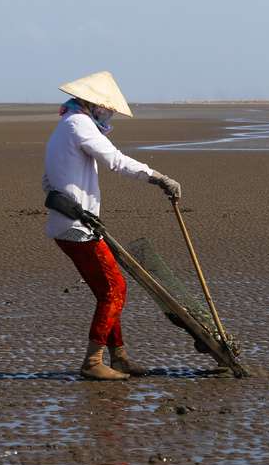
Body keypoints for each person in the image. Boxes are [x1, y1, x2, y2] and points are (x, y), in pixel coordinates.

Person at [43, 71, 182, 380]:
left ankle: (119, 357)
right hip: (76, 227)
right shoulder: (78, 125)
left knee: (107, 289)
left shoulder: (66, 124)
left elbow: (48, 180)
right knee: (115, 289)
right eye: (107, 108)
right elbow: (116, 161)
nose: (108, 114)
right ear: (94, 103)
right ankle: (93, 362)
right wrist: (158, 177)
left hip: (73, 222)